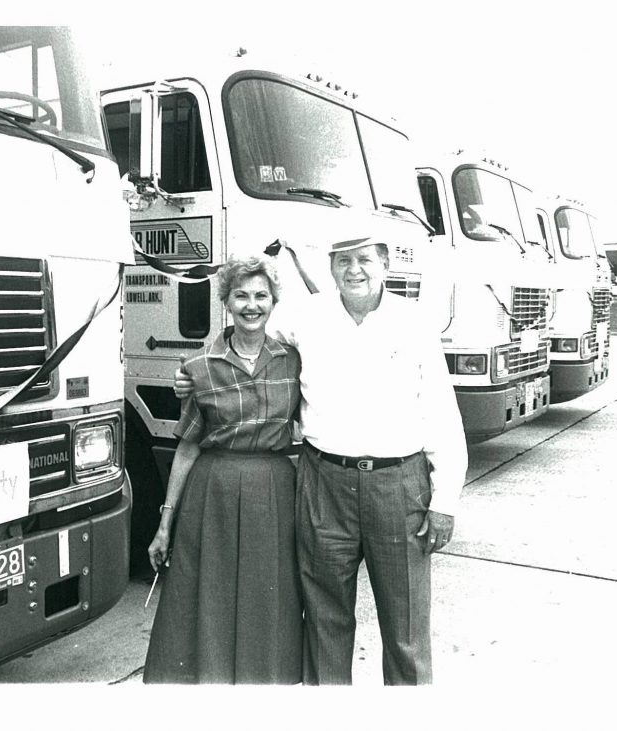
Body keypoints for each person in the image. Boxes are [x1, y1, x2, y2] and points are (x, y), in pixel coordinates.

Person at [174, 237, 467, 685]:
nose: (355, 270)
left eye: (365, 260)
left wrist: (444, 500)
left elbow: (442, 413)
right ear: (330, 267)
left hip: (399, 486)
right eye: (344, 261)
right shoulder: (306, 316)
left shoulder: (413, 322)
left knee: (406, 632)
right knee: (325, 625)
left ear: (385, 264)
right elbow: (246, 331)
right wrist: (194, 374)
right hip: (324, 483)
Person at [143, 255, 303, 684]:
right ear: (226, 302)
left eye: (261, 296)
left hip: (274, 489)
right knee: (209, 595)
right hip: (211, 492)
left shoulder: (293, 360)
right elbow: (188, 447)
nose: (252, 306)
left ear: (274, 302)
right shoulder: (198, 367)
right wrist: (165, 524)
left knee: (269, 596)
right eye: (241, 296)